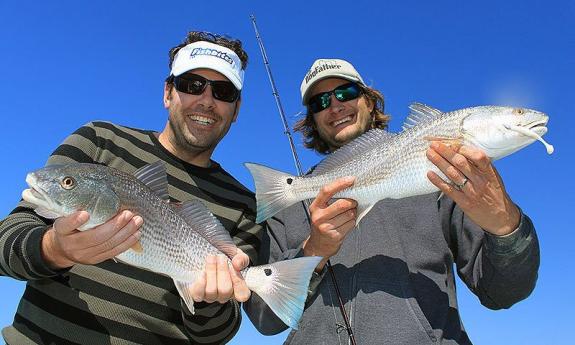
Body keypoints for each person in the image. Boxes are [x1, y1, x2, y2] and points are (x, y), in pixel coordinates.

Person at [246, 59, 540, 344]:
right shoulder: (288, 205)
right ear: (312, 119)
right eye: (319, 102)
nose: (335, 106)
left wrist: (506, 228)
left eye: (346, 92)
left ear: (369, 101)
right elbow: (264, 319)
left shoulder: (447, 182)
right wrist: (314, 252)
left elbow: (503, 293)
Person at [0, 31, 261, 345]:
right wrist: (54, 249)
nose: (206, 101)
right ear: (168, 92)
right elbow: (5, 243)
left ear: (236, 109)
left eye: (223, 91)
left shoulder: (244, 203)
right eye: (191, 85)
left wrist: (208, 300)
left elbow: (219, 334)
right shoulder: (99, 139)